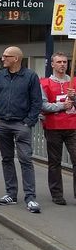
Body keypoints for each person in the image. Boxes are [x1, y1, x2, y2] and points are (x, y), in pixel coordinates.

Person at [0, 46, 42, 213]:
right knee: (7, 159)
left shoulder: (30, 76)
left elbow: (36, 102)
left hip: (21, 125)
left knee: (25, 159)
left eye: (6, 56)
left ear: (16, 59)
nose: (2, 59)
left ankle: (30, 197)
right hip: (2, 123)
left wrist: (28, 122)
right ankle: (11, 193)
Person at [39, 52, 76, 205]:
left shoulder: (74, 82)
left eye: (65, 62)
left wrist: (74, 98)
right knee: (55, 162)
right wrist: (62, 105)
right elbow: (42, 105)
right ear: (52, 64)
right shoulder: (45, 83)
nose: (62, 64)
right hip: (53, 127)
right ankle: (57, 194)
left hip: (73, 127)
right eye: (59, 62)